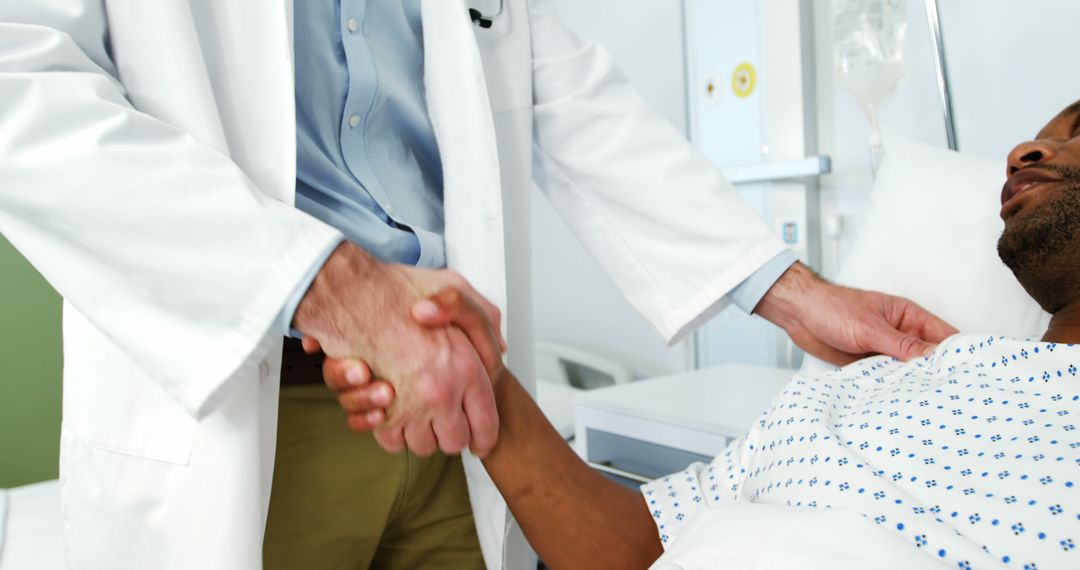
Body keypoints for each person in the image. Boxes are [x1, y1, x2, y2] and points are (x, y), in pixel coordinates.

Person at [0, 1, 953, 568]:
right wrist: (331, 285)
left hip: (460, 423)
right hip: (238, 406)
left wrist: (789, 288)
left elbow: (569, 92)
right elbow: (18, 78)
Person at [330, 100, 1080, 569]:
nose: (1024, 152)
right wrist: (481, 377)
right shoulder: (885, 378)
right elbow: (635, 549)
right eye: (1033, 142)